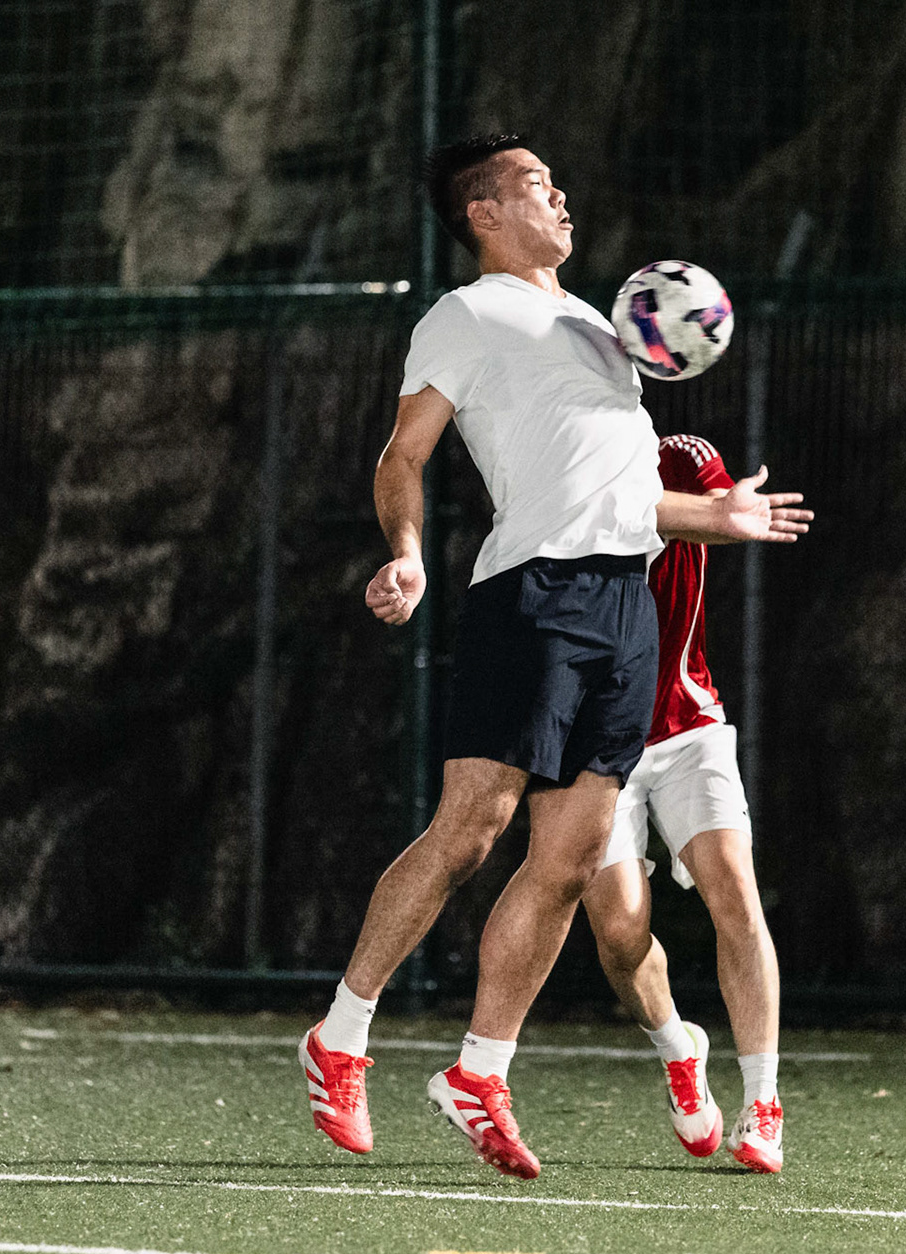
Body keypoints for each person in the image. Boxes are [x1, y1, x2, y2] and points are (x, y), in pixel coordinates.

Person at [296, 134, 812, 1180]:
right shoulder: (466, 314)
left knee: (572, 859)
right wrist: (406, 554)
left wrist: (720, 515)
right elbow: (404, 454)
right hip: (532, 596)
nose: (561, 196)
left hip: (627, 610)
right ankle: (342, 1033)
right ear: (485, 211)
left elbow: (625, 497)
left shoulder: (604, 331)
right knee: (471, 828)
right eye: (537, 184)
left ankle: (480, 1069)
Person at [580, 433, 784, 1174]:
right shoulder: (565, 464)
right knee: (620, 936)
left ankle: (763, 1102)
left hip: (689, 725)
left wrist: (730, 510)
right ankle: (677, 1046)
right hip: (597, 740)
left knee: (736, 896)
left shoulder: (684, 454)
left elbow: (714, 510)